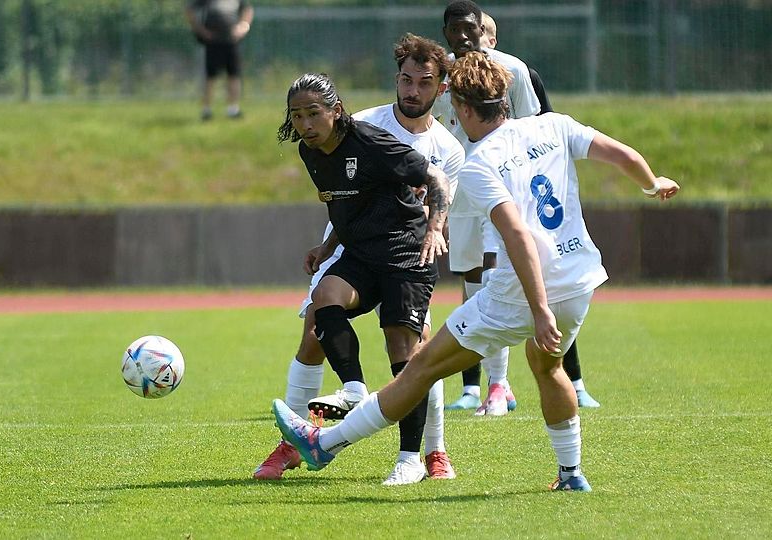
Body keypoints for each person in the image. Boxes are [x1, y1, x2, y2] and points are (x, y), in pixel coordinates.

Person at [272, 51, 680, 490]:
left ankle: (326, 444)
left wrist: (538, 309)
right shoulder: (555, 124)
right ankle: (571, 474)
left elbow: (519, 236)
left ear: (463, 108)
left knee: (419, 368)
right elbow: (620, 154)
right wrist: (651, 182)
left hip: (517, 293)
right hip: (579, 279)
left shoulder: (480, 162)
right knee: (548, 369)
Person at [263, 69, 452, 485]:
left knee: (403, 347)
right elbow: (345, 207)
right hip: (362, 254)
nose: (306, 124)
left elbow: (436, 179)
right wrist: (327, 249)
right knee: (324, 300)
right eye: (297, 116)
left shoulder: (369, 142)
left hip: (406, 252)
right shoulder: (309, 153)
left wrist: (436, 228)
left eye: (314, 113)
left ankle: (409, 459)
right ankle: (353, 390)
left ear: (336, 110)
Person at [479, 10, 601, 408]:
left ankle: (571, 382)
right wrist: (650, 182)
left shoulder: (519, 76)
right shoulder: (445, 81)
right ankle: (483, 387)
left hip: (521, 204)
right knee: (482, 278)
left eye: (480, 32)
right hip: (492, 203)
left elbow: (543, 122)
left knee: (427, 364)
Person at [435, 0, 541, 416]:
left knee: (498, 275)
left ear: (483, 29)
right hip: (461, 192)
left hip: (504, 188)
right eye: (453, 28)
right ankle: (485, 385)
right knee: (474, 283)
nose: (462, 36)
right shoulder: (439, 75)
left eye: (469, 28)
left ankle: (498, 386)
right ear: (444, 31)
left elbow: (532, 127)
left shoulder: (511, 69)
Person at [184, 0, 254, 121]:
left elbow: (248, 10)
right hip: (213, 42)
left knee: (234, 75)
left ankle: (233, 109)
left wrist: (243, 27)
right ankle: (206, 109)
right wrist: (201, 31)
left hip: (231, 41)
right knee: (210, 76)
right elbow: (189, 10)